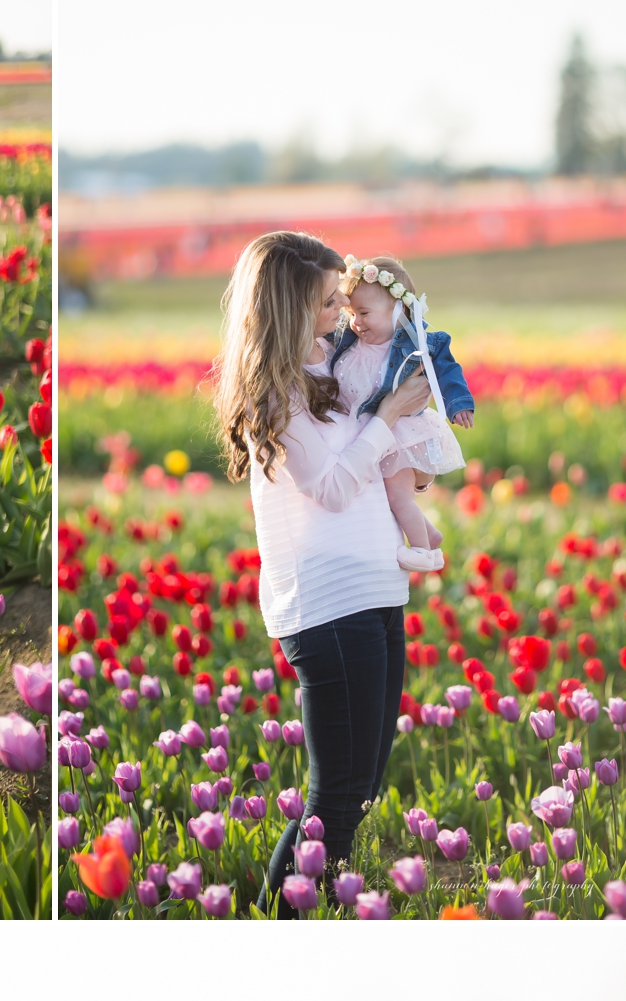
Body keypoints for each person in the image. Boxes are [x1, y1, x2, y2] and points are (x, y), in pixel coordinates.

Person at [213, 229, 434, 908]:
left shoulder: (331, 372)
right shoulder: (274, 396)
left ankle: (317, 912)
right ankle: (284, 923)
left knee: (362, 787)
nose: (340, 313)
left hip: (376, 588)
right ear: (288, 307)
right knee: (334, 797)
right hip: (327, 607)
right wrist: (387, 417)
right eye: (326, 302)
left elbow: (370, 468)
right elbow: (333, 489)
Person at [329, 253, 475, 573]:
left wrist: (458, 403)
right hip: (375, 431)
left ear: (399, 309)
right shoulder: (348, 341)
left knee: (396, 493)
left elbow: (448, 371)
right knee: (383, 488)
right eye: (351, 313)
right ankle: (430, 533)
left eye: (365, 312)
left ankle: (423, 551)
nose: (356, 322)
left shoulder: (419, 342)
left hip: (403, 434)